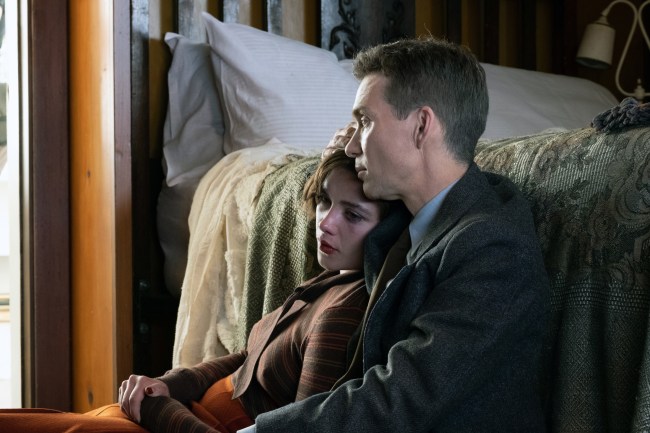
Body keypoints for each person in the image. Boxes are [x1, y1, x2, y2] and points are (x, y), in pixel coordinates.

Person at [240, 37, 550, 433]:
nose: (352, 146)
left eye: (366, 122)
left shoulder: (493, 248)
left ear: (421, 126)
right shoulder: (416, 217)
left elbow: (402, 398)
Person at [0, 148, 393, 433]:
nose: (324, 222)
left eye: (352, 215)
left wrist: (159, 409)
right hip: (177, 412)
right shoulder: (332, 279)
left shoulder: (342, 314)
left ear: (388, 231)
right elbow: (248, 359)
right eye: (324, 200)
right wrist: (169, 384)